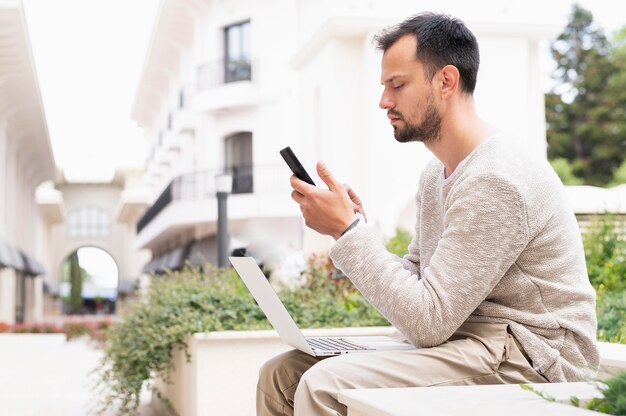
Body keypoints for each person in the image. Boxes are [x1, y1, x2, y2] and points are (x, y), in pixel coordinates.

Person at [257, 12, 599, 416]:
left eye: (397, 85)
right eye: (384, 87)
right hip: (471, 340)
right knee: (284, 372)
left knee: (324, 383)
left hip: (535, 355)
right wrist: (355, 229)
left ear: (446, 81)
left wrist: (347, 232)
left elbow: (426, 322)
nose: (384, 101)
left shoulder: (495, 179)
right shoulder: (434, 176)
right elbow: (419, 294)